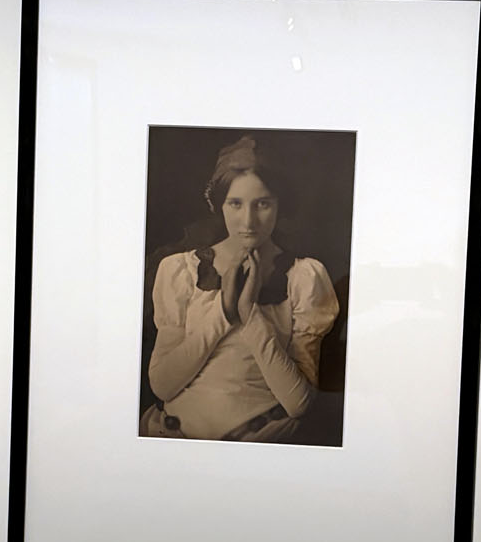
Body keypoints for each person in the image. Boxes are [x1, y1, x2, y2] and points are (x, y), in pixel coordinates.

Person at [142, 136, 340, 441]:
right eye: (235, 204)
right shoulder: (180, 271)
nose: (248, 221)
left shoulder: (304, 277)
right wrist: (224, 311)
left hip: (260, 441)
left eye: (262, 204)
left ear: (279, 204)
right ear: (219, 204)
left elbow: (298, 403)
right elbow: (163, 385)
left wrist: (249, 315)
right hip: (174, 437)